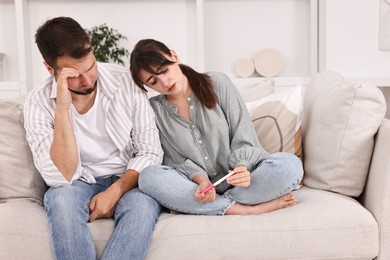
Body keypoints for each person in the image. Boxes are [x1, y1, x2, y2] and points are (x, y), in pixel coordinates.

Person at [23, 17, 163, 260]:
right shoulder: (37, 103)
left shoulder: (125, 83)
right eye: (74, 75)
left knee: (143, 207)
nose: (87, 81)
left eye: (90, 67)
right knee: (61, 201)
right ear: (50, 69)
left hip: (128, 178)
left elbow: (150, 152)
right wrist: (62, 109)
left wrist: (116, 190)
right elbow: (61, 176)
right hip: (78, 182)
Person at [130, 39, 303, 216]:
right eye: (153, 81)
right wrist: (202, 180)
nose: (164, 82)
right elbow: (175, 160)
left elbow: (243, 133)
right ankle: (245, 209)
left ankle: (208, 206)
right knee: (148, 177)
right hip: (197, 188)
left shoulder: (217, 83)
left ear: (174, 56)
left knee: (290, 166)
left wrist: (243, 167)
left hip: (244, 182)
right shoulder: (154, 110)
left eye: (164, 71)